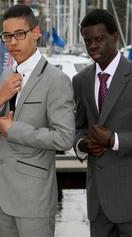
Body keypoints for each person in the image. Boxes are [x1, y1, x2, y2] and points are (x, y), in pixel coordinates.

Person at [0, 4, 75, 237]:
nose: (12, 42)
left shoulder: (57, 80)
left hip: (33, 198)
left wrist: (15, 130)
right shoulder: (6, 75)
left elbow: (64, 138)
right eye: (7, 36)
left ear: (36, 32)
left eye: (19, 34)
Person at [73, 9, 132, 237]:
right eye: (88, 41)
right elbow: (79, 127)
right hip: (97, 202)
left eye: (99, 39)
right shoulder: (81, 81)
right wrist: (82, 145)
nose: (93, 46)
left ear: (114, 37)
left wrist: (114, 140)